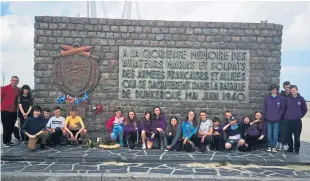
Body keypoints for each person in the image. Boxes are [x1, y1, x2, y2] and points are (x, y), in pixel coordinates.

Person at [283, 85, 307, 153]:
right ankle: (290, 148)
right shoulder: (287, 99)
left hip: (297, 121)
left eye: (294, 90)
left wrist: (299, 116)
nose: (293, 92)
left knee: (297, 136)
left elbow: (304, 109)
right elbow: (284, 109)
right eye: (291, 91)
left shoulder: (301, 99)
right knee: (288, 135)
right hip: (288, 120)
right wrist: (285, 116)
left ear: (297, 90)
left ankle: (297, 148)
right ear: (290, 91)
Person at [264, 84, 284, 152]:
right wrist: (267, 115)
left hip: (277, 120)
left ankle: (274, 147)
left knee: (275, 133)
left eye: (275, 89)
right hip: (269, 119)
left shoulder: (280, 98)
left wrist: (279, 116)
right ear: (270, 90)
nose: (274, 91)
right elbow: (265, 108)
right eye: (272, 89)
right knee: (269, 133)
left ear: (277, 90)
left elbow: (282, 109)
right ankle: (269, 146)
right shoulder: (267, 98)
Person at [1, 76, 20, 147]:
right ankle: (5, 142)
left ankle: (9, 140)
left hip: (14, 111)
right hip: (5, 111)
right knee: (6, 127)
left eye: (16, 81)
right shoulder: (4, 88)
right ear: (11, 80)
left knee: (11, 127)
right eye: (14, 80)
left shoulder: (18, 90)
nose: (15, 81)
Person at [278, 81, 291, 151]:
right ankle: (279, 143)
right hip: (282, 116)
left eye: (288, 87)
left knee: (288, 131)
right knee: (281, 130)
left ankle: (285, 144)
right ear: (283, 87)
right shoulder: (280, 95)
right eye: (285, 87)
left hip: (290, 117)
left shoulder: (292, 95)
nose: (287, 89)